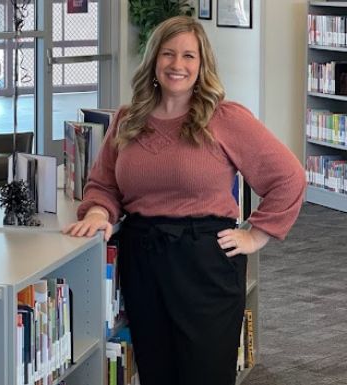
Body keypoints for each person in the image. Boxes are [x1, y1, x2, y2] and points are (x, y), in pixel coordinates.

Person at [63, 16, 306, 385]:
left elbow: (289, 177)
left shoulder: (224, 118)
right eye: (168, 54)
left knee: (204, 374)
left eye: (189, 56)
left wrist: (256, 235)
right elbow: (104, 183)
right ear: (154, 61)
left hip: (205, 262)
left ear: (202, 63)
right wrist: (99, 211)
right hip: (143, 260)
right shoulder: (128, 120)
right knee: (157, 372)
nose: (178, 65)